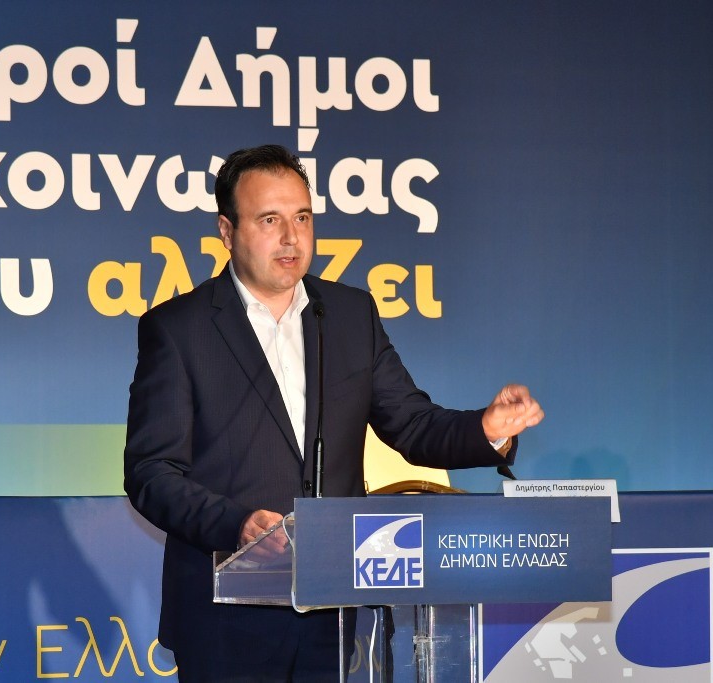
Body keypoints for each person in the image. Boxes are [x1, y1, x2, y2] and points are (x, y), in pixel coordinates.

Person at [123, 144, 544, 682]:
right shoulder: (179, 329)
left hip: (333, 612)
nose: (291, 237)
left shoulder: (347, 314)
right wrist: (237, 525)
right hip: (224, 617)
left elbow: (413, 424)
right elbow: (151, 473)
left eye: (302, 218)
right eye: (269, 220)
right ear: (227, 231)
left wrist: (486, 430)